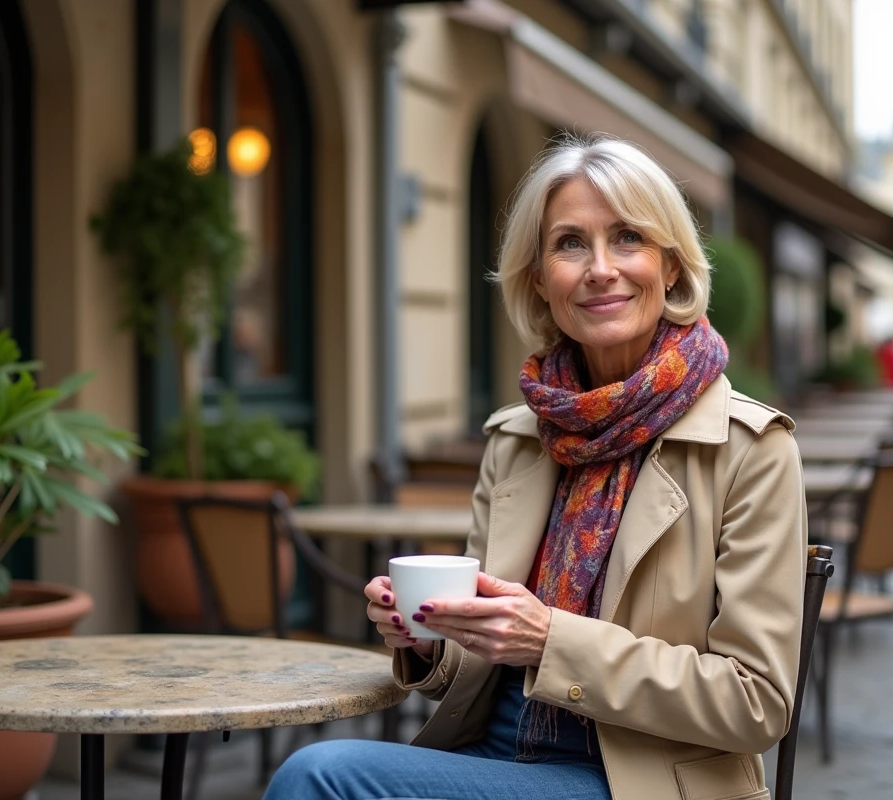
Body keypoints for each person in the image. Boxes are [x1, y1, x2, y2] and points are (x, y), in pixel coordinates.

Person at [264, 135, 807, 800]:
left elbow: (756, 702)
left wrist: (552, 640)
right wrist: (431, 637)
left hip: (638, 780)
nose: (600, 268)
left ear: (671, 267)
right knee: (320, 773)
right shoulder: (517, 437)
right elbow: (478, 663)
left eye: (628, 237)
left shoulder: (751, 448)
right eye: (570, 243)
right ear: (540, 278)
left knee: (319, 779)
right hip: (496, 753)